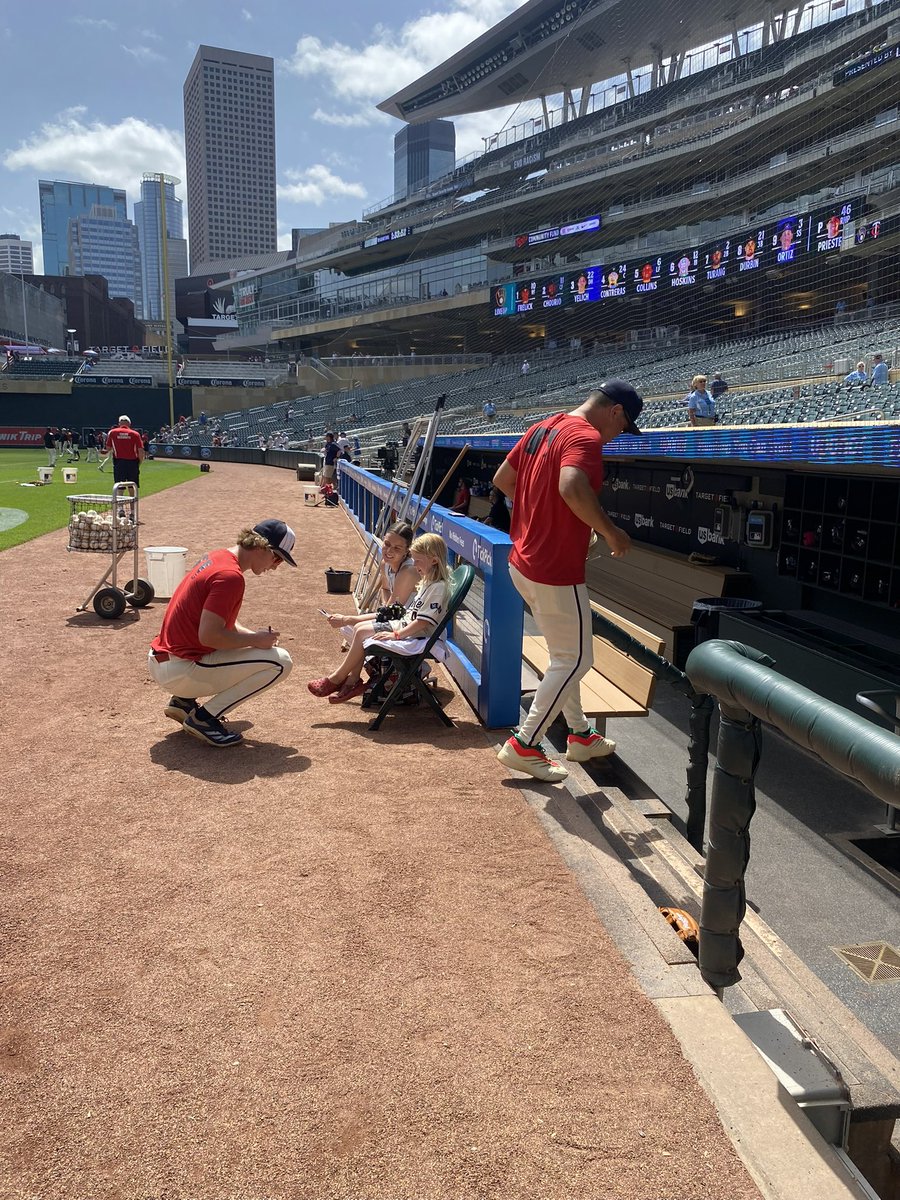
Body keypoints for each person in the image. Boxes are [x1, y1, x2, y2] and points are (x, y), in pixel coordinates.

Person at [492, 380, 642, 783]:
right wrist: (610, 532)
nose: (618, 435)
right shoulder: (585, 436)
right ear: (615, 411)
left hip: (523, 561)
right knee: (576, 659)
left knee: (564, 655)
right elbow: (572, 486)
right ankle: (525, 743)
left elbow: (504, 479)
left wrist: (543, 519)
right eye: (622, 426)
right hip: (554, 570)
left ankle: (580, 734)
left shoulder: (543, 426)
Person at [147, 520, 296, 747]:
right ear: (262, 547)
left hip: (165, 660)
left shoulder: (218, 557)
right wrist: (255, 640)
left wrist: (255, 640)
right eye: (277, 558)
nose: (275, 566)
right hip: (180, 668)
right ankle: (204, 719)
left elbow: (223, 624)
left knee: (262, 652)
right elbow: (209, 636)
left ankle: (183, 702)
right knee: (281, 662)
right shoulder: (230, 577)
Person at [308, 533, 450, 704]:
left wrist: (397, 635)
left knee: (360, 632)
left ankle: (339, 679)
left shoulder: (438, 587)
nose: (414, 564)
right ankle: (351, 680)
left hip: (415, 634)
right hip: (404, 625)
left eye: (418, 560)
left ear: (434, 560)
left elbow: (423, 622)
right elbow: (395, 608)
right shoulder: (428, 582)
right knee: (358, 629)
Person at [323, 522, 418, 643]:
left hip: (407, 626)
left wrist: (347, 619)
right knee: (347, 628)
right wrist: (385, 605)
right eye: (387, 544)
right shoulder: (385, 564)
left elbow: (392, 613)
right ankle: (371, 653)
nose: (389, 551)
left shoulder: (408, 571)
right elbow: (385, 589)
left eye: (397, 548)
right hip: (394, 617)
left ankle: (372, 653)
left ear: (406, 550)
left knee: (356, 628)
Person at [106, 415, 144, 486]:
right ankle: (133, 494)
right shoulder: (135, 434)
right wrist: (139, 462)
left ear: (119, 423)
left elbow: (108, 448)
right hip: (132, 462)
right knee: (132, 486)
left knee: (119, 486)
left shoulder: (112, 432)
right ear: (129, 423)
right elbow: (140, 450)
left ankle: (120, 493)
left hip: (119, 462)